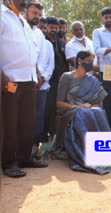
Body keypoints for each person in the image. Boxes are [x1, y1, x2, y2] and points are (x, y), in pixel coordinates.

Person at [1, 0, 48, 178]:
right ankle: (9, 162)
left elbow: (30, 51)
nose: (26, 2)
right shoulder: (2, 16)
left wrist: (36, 73)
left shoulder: (21, 19)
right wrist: (2, 79)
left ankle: (24, 157)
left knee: (27, 123)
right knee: (10, 123)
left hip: (29, 81)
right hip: (11, 81)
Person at [54, 50, 111, 174]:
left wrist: (92, 106)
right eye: (88, 61)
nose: (90, 64)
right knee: (83, 113)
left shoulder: (92, 80)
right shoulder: (67, 77)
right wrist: (80, 106)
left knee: (99, 112)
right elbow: (59, 103)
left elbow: (99, 104)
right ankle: (85, 153)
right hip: (68, 111)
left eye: (92, 62)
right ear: (80, 61)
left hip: (87, 110)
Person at [24, 2, 55, 154]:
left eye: (39, 15)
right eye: (34, 13)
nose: (37, 18)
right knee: (24, 116)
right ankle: (22, 147)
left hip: (42, 86)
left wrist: (43, 78)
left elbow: (50, 65)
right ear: (26, 12)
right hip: (26, 82)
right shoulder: (23, 30)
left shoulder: (45, 42)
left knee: (39, 117)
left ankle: (35, 146)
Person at [43, 16, 69, 141]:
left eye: (56, 27)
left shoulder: (62, 43)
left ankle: (55, 135)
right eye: (51, 27)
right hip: (46, 81)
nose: (54, 30)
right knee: (46, 109)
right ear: (46, 27)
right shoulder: (42, 41)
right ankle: (43, 136)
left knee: (57, 109)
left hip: (60, 82)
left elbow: (65, 63)